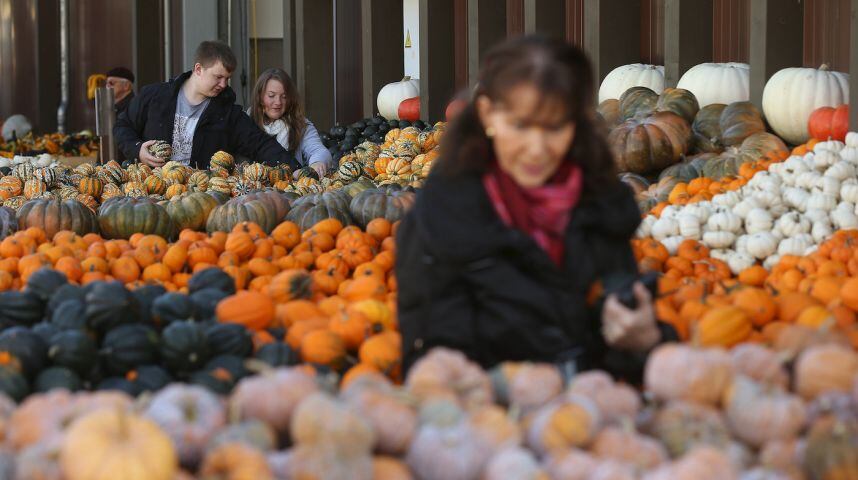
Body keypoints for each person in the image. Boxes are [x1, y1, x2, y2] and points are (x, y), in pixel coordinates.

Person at [395, 35, 676, 383]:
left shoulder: (599, 204)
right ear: (487, 113)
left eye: (555, 127)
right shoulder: (443, 216)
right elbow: (431, 358)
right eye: (521, 125)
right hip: (490, 410)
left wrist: (643, 341)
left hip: (590, 406)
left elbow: (623, 353)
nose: (537, 148)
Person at [114, 41, 297, 170]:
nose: (224, 84)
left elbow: (260, 144)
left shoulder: (227, 113)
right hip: (151, 191)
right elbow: (123, 125)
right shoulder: (155, 96)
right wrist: (137, 149)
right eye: (218, 77)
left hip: (202, 196)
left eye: (227, 79)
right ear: (198, 69)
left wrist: (296, 170)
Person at [248, 68, 332, 177]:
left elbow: (319, 151)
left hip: (290, 185)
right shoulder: (246, 122)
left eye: (284, 97)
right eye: (271, 95)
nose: (278, 102)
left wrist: (317, 163)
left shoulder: (300, 125)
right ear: (259, 97)